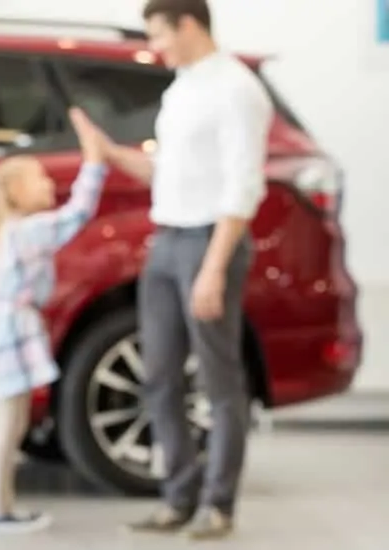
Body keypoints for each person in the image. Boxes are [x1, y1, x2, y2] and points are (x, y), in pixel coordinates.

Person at [70, 0, 274, 540]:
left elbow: (242, 187)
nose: (154, 46)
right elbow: (166, 172)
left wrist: (212, 268)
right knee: (158, 377)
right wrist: (109, 153)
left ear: (189, 24)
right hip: (168, 240)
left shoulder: (236, 89)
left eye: (159, 34)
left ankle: (219, 506)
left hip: (211, 242)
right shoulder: (182, 87)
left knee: (218, 379)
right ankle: (179, 497)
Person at [0, 107, 108, 535]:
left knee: (10, 424)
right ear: (14, 193)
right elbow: (76, 215)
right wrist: (94, 164)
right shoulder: (25, 232)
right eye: (40, 179)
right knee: (8, 426)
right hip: (11, 335)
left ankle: (2, 508)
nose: (49, 184)